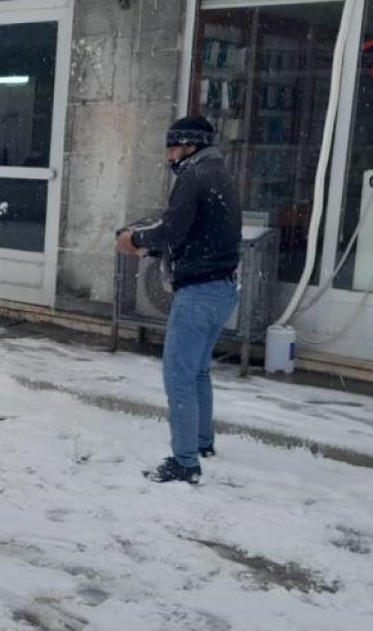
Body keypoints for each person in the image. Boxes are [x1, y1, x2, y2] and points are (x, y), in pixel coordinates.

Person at [116, 115, 241, 485]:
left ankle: (185, 463)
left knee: (179, 378)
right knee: (198, 370)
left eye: (173, 147)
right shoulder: (220, 173)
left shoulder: (193, 176)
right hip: (222, 289)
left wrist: (135, 240)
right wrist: (153, 250)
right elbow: (199, 235)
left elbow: (173, 229)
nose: (169, 155)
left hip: (198, 294)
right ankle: (202, 442)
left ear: (190, 144)